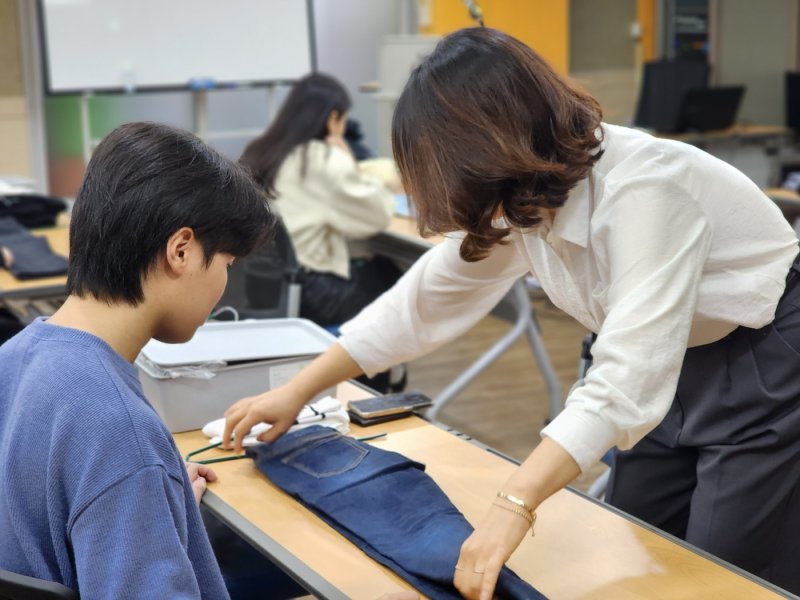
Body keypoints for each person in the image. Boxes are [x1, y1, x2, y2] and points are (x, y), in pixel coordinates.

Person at [221, 28, 800, 599]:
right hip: (661, 363)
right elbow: (422, 302)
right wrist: (297, 391)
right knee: (638, 542)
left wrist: (513, 504)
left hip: (759, 355)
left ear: (490, 145)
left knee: (726, 571)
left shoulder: (647, 189)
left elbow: (628, 375)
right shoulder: (521, 196)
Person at [0, 122, 274, 598]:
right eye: (227, 263)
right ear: (181, 250)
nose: (223, 283)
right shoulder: (118, 429)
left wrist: (146, 509)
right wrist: (136, 481)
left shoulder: (13, 357)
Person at [239, 72, 402, 328]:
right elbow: (379, 215)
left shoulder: (258, 151)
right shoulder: (322, 159)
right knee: (390, 276)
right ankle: (373, 366)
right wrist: (351, 164)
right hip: (313, 295)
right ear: (333, 118)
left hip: (259, 289)